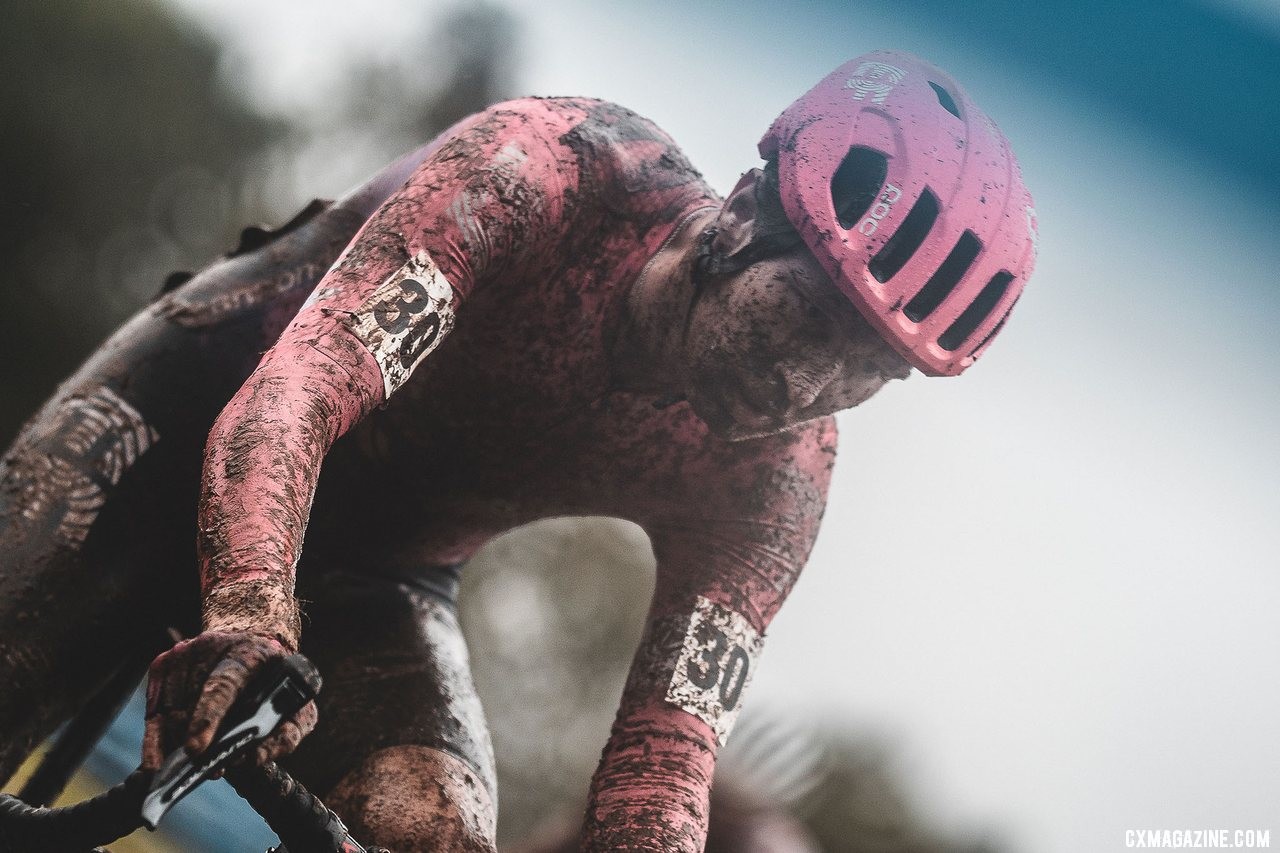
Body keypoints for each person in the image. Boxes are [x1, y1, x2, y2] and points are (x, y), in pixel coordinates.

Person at [0, 50, 1036, 851]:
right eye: (810, 319)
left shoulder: (778, 480)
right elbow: (298, 393)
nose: (807, 388)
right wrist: (246, 610)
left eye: (868, 372)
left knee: (433, 832)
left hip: (379, 570)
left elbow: (665, 760)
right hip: (176, 425)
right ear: (749, 213)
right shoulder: (549, 176)